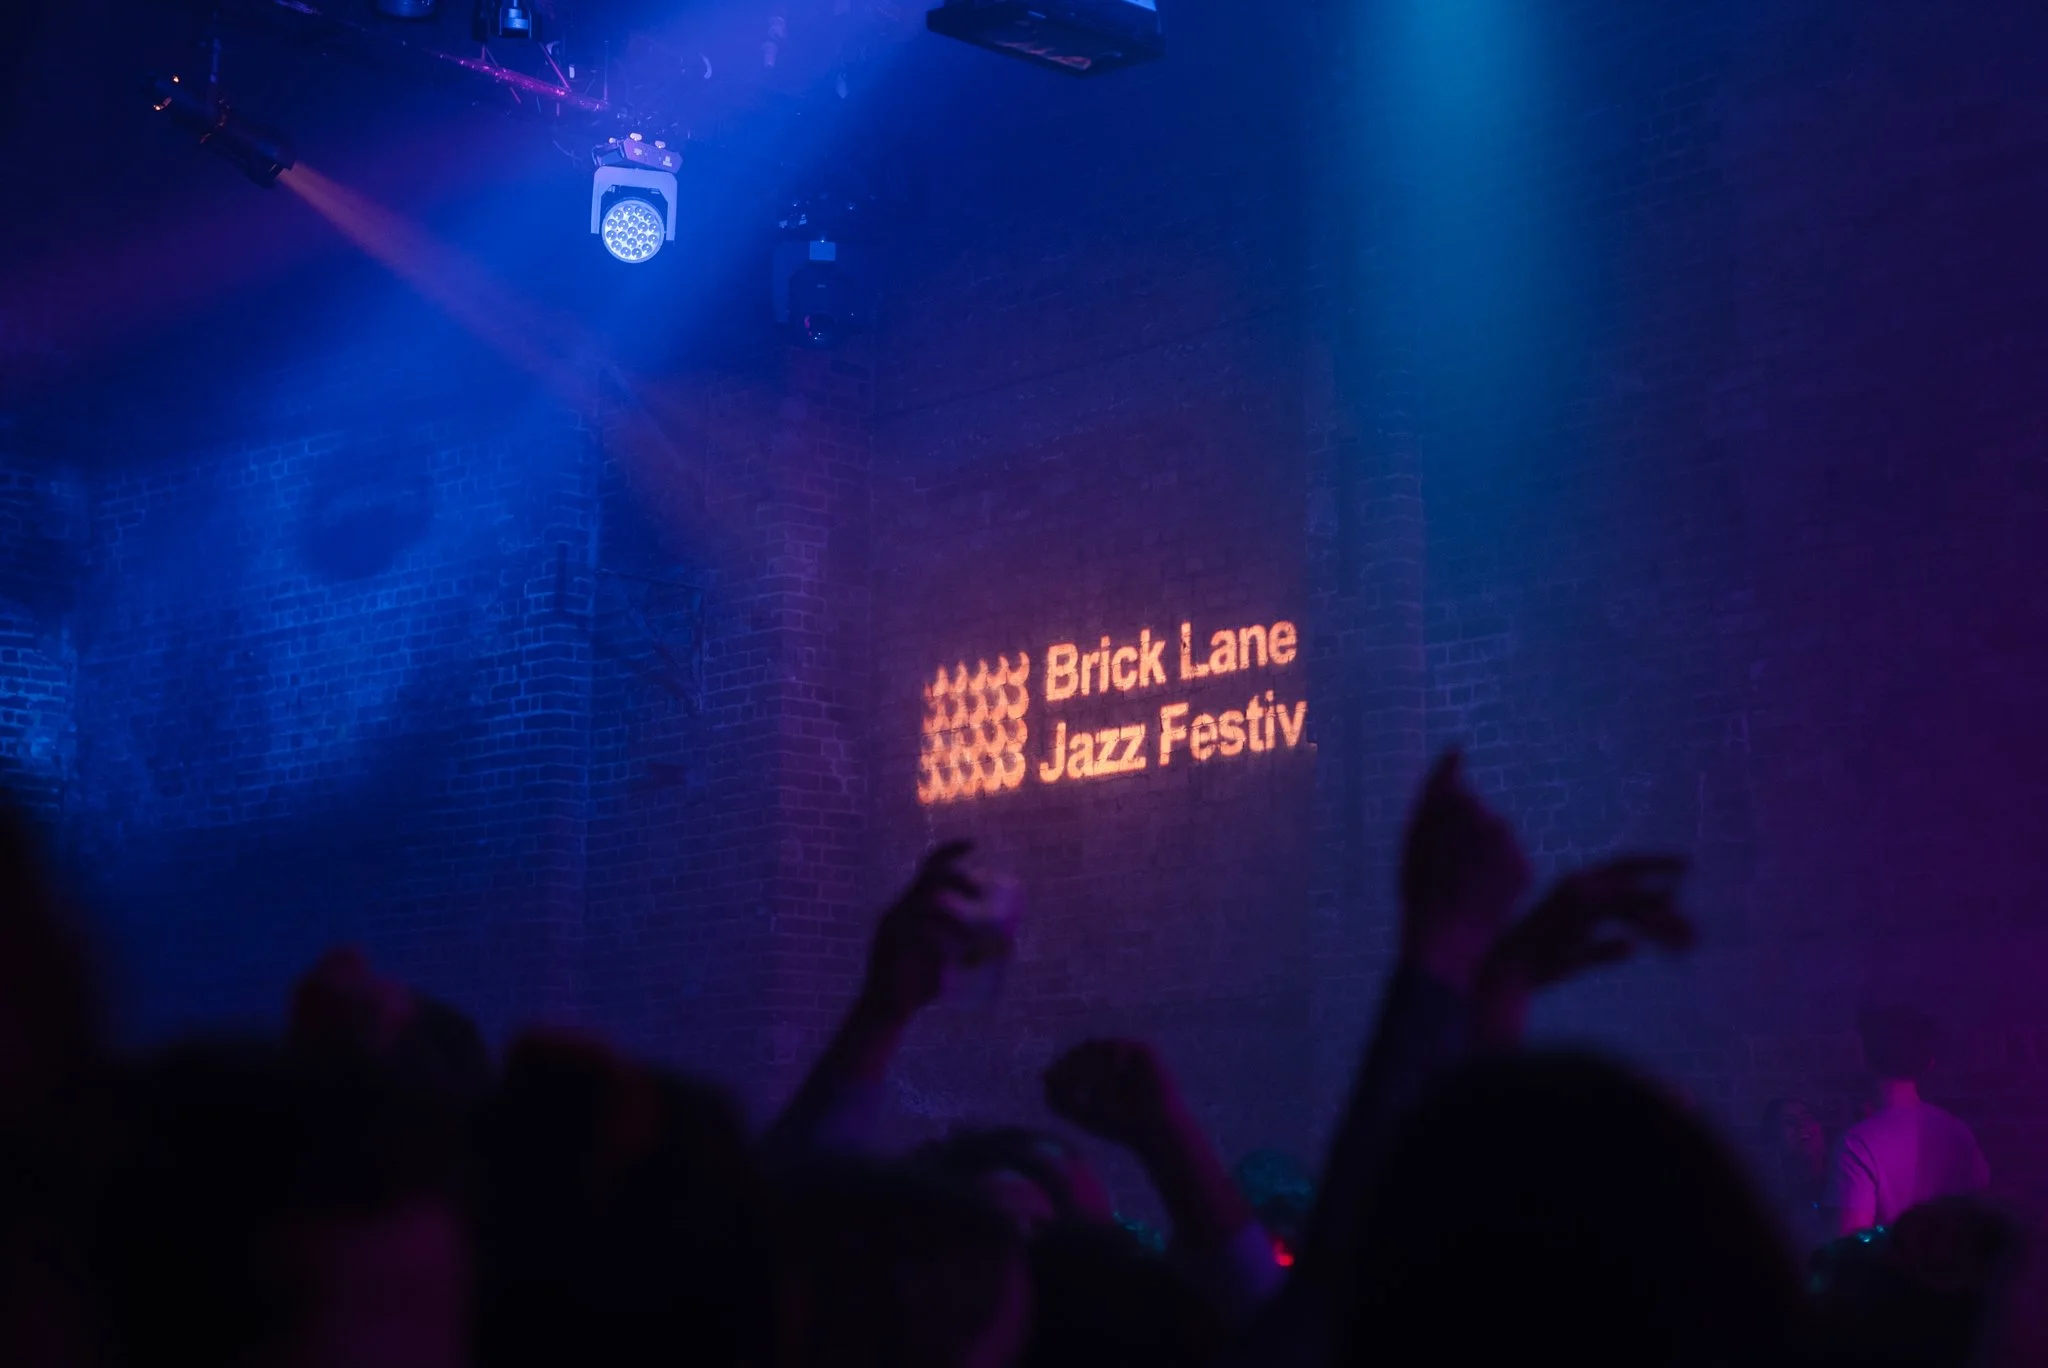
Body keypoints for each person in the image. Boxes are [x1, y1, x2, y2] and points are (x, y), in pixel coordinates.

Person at [1835, 1006, 1989, 1234]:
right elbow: (1982, 1212)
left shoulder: (1858, 1144)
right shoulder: (1958, 1131)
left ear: (1864, 1057)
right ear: (1929, 1062)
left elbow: (1850, 1241)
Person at [1762, 1096, 1833, 1253]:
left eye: (1806, 1117)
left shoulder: (1846, 1183)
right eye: (1789, 1121)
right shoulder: (1771, 1197)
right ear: (1774, 1136)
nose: (1801, 1126)